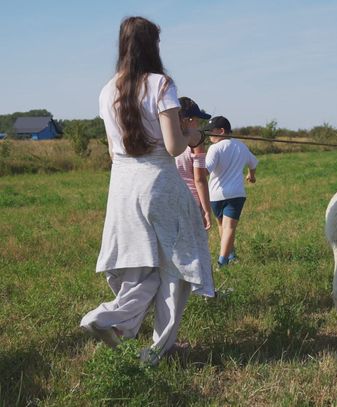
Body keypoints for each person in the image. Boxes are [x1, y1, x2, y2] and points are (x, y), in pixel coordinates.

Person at [80, 16, 214, 365]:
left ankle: (107, 317)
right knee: (176, 268)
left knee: (140, 266)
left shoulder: (107, 90)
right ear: (152, 46)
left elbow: (113, 149)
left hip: (122, 185)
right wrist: (195, 137)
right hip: (159, 182)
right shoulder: (161, 84)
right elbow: (173, 146)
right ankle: (160, 349)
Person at [203, 116, 258, 267]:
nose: (208, 135)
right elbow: (253, 163)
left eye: (210, 132)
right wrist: (251, 175)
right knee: (227, 227)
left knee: (223, 227)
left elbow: (206, 171)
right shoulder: (241, 146)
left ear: (221, 131)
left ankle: (224, 259)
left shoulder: (214, 149)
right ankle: (227, 259)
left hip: (215, 195)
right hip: (235, 194)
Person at [175, 97, 212, 230]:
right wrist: (207, 210)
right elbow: (200, 179)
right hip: (192, 201)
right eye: (197, 120)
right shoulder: (197, 143)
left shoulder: (166, 140)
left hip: (169, 200)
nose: (198, 124)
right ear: (189, 120)